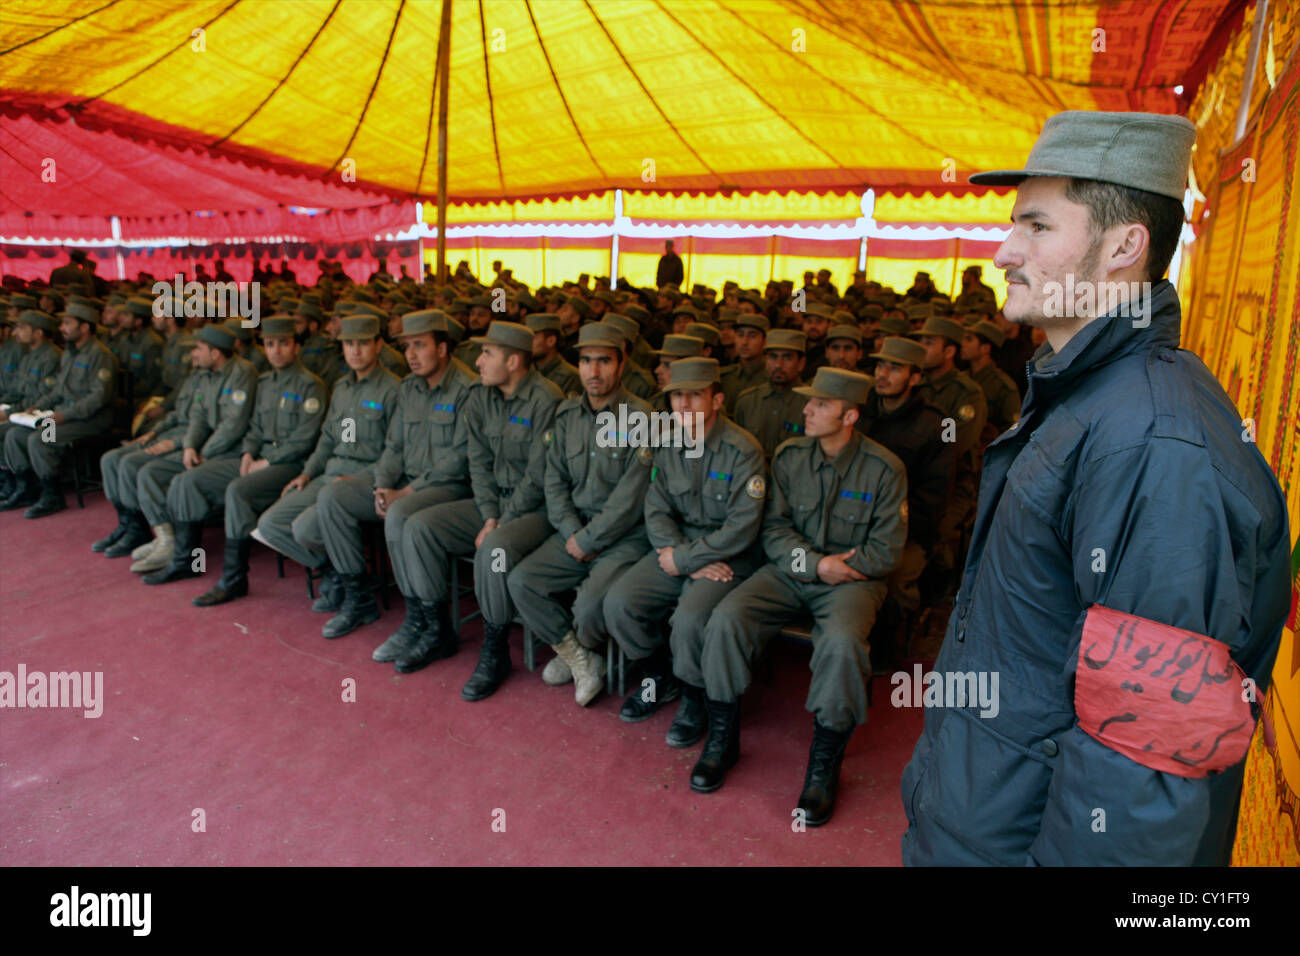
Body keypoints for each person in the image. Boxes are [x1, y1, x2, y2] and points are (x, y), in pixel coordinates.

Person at [900, 111, 1291, 866]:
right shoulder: (1087, 396)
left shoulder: (1153, 445)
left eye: (1038, 228)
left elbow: (1140, 775)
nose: (1005, 252)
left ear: (1123, 246)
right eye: (1015, 226)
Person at [695, 367, 907, 825]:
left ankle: (823, 764)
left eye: (820, 405)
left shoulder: (884, 469)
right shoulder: (791, 457)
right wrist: (813, 565)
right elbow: (774, 529)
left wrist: (836, 569)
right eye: (808, 402)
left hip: (853, 581)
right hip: (793, 570)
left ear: (849, 416)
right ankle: (722, 736)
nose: (806, 410)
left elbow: (886, 550)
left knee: (843, 645)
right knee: (728, 616)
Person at [398, 321, 563, 698]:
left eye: (488, 353)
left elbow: (537, 477)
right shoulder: (479, 396)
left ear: (515, 361)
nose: (479, 360)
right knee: (420, 526)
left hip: (533, 511)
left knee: (495, 550)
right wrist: (489, 514)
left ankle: (495, 649)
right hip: (490, 503)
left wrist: (500, 521)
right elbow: (478, 463)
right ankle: (437, 629)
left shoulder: (545, 399)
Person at [603, 357, 766, 737]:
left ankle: (695, 696)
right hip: (677, 549)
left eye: (695, 395)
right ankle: (658, 676)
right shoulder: (666, 441)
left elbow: (742, 527)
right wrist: (679, 555)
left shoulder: (743, 450)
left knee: (690, 620)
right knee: (620, 603)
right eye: (677, 395)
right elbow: (655, 508)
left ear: (718, 400)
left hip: (728, 556)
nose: (684, 405)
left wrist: (686, 559)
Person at [507, 322, 655, 706]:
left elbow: (631, 498)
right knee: (522, 580)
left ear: (621, 365)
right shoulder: (567, 414)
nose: (593, 370)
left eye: (604, 361)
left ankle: (587, 651)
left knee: (590, 606)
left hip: (622, 537)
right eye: (586, 360)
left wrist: (588, 540)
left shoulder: (641, 417)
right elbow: (553, 480)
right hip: (573, 531)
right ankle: (577, 656)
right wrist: (573, 532)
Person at [315, 310, 476, 655]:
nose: (412, 355)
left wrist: (404, 492)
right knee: (334, 497)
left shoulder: (467, 390)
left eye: (420, 345)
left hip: (449, 486)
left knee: (401, 512)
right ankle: (358, 597)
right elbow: (394, 446)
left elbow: (459, 459)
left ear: (444, 348)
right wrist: (382, 485)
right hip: (404, 481)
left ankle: (428, 623)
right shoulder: (409, 388)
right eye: (407, 347)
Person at [176, 317, 326, 605]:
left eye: (283, 343)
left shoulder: (310, 385)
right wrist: (247, 453)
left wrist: (265, 461)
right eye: (270, 344)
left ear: (295, 346)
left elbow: (304, 440)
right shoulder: (265, 382)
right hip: (257, 460)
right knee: (192, 481)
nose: (276, 350)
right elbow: (255, 427)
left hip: (291, 464)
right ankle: (190, 562)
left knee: (237, 490)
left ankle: (234, 577)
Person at [253, 316, 401, 606]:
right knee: (271, 524)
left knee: (305, 528)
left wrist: (362, 480)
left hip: (363, 479)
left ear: (379, 345)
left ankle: (353, 589)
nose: (355, 351)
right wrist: (307, 473)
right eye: (349, 344)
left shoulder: (393, 390)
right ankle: (336, 572)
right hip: (329, 473)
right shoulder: (342, 387)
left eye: (363, 344)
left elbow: (395, 451)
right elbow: (328, 439)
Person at [135, 323, 260, 582]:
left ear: (216, 353)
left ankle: (188, 560)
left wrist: (202, 451)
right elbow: (198, 416)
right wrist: (190, 445)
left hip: (231, 451)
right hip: (205, 449)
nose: (193, 353)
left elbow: (233, 426)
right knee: (151, 471)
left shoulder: (241, 373)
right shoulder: (205, 375)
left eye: (198, 348)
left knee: (185, 482)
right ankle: (166, 541)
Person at [857, 337, 955, 616]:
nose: (882, 375)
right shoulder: (859, 411)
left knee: (893, 583)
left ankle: (892, 651)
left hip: (906, 530)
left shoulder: (938, 424)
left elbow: (933, 499)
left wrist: (885, 527)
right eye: (880, 367)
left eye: (894, 369)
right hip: (852, 517)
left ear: (915, 378)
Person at [1, 302, 117, 517]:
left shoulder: (100, 355)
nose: (62, 327)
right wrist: (38, 407)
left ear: (85, 328)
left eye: (67, 323)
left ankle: (52, 495)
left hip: (90, 419)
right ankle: (26, 487)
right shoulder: (69, 353)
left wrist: (64, 415)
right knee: (16, 434)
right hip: (63, 415)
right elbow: (58, 392)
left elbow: (97, 399)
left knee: (40, 438)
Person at [0, 310, 63, 501]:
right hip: (30, 413)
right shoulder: (29, 357)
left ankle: (49, 491)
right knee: (10, 432)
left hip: (50, 416)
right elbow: (18, 391)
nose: (15, 332)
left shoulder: (51, 356)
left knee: (29, 437)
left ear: (38, 333)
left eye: (22, 328)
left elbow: (45, 397)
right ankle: (17, 482)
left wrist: (10, 411)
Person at [733, 328, 807, 461]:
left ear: (801, 363)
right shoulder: (747, 401)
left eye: (787, 357)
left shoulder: (811, 404)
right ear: (765, 361)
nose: (778, 365)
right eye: (773, 357)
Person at [960, 320, 1021, 438]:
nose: (962, 344)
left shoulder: (1003, 386)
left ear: (985, 348)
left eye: (969, 340)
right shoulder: (963, 378)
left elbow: (1012, 429)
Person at [525, 313, 582, 397]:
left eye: (533, 337)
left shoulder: (571, 377)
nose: (527, 342)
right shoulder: (526, 370)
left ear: (551, 341)